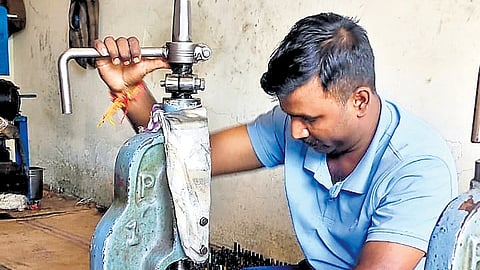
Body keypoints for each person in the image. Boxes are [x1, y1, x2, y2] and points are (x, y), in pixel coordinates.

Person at [93, 12, 458, 270]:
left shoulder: (418, 167)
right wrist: (132, 92)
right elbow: (192, 162)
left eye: (310, 119)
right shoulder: (294, 125)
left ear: (359, 100)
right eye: (291, 115)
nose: (295, 131)